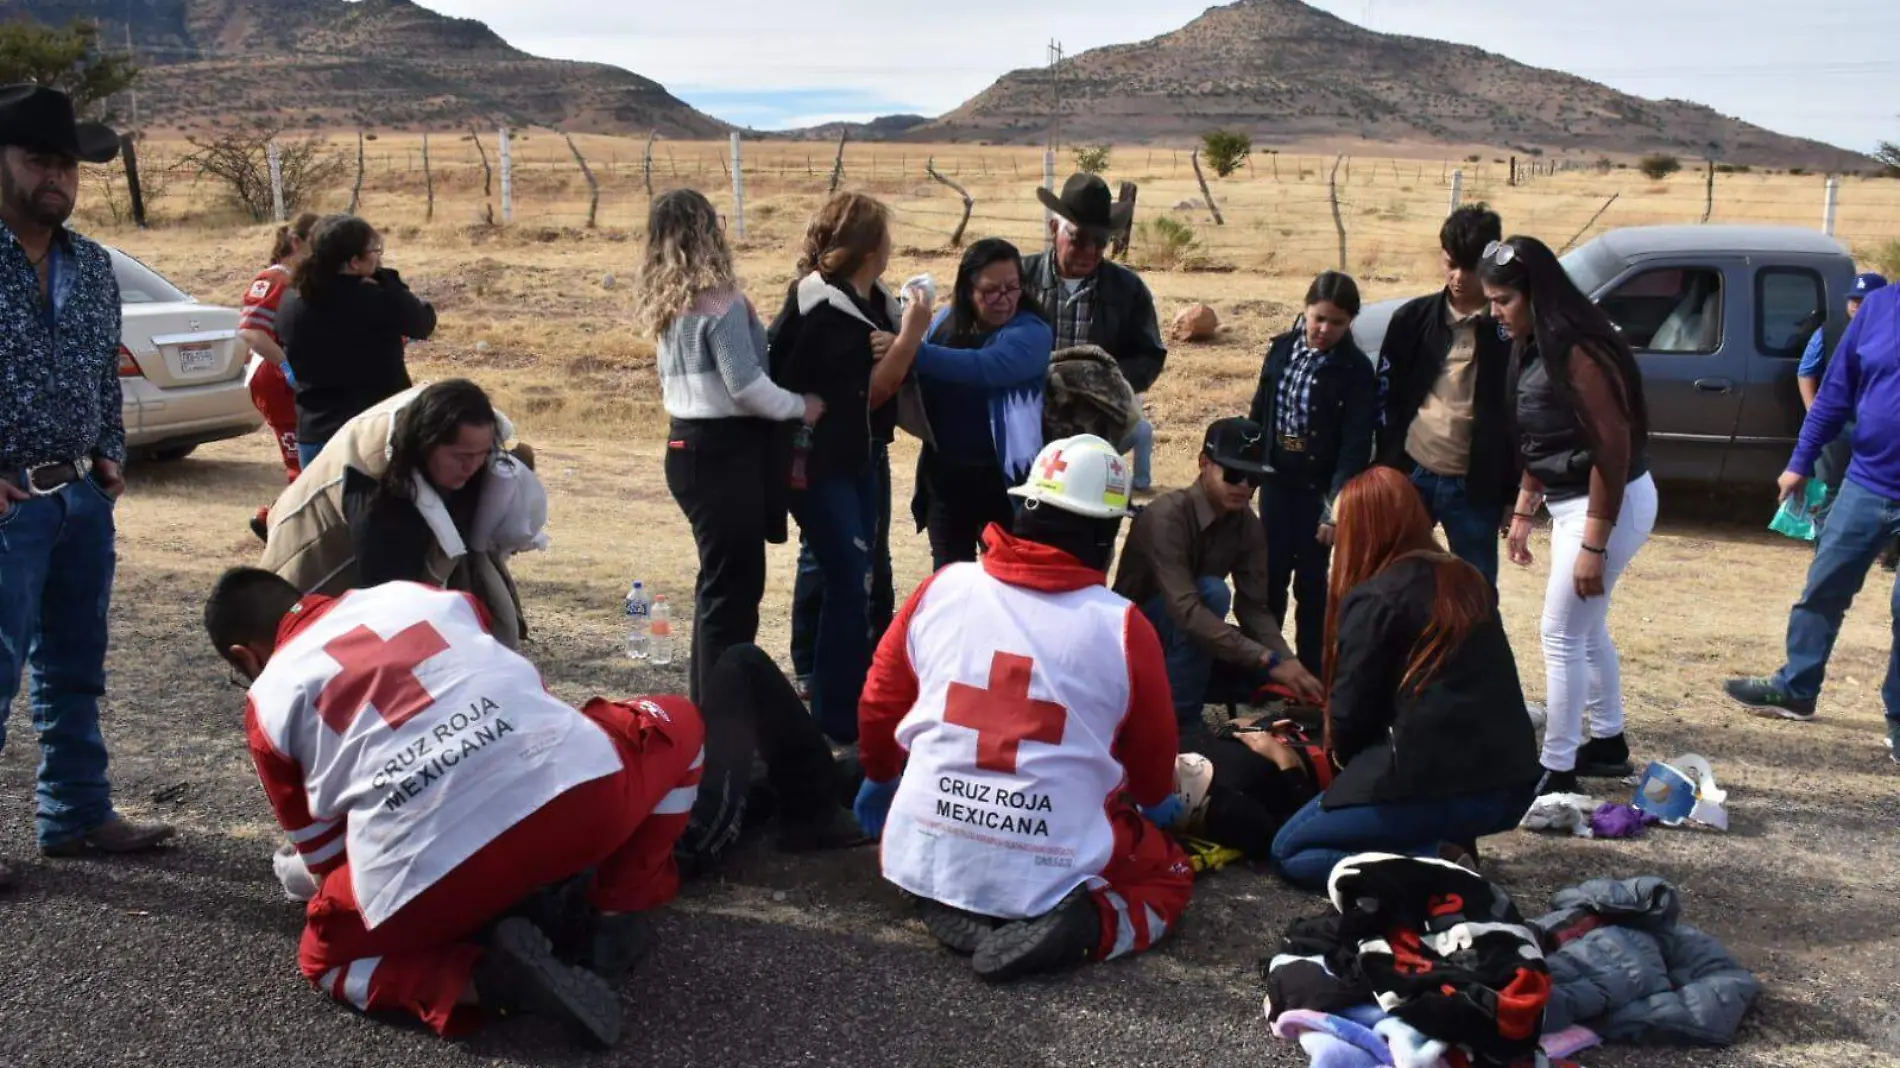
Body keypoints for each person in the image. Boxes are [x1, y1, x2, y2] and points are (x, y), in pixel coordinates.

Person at [852, 435, 1191, 980]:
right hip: (1053, 857)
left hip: (925, 839)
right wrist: (1155, 804)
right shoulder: (1123, 627)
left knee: (940, 839)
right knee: (1169, 874)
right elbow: (1152, 753)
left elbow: (879, 704)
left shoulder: (943, 587)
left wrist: (879, 773)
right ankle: (1088, 926)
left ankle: (949, 894)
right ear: (1107, 532)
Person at [0, 84, 174, 890]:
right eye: (39, 160)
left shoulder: (93, 265)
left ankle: (74, 813)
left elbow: (103, 371)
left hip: (77, 500)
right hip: (5, 508)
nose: (57, 179)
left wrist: (109, 455)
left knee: (75, 668)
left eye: (67, 165)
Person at [1268, 466, 1542, 891]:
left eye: (1340, 526)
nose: (1334, 536)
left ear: (1364, 528)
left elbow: (1349, 718)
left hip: (1428, 780)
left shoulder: (1376, 598)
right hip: (1509, 784)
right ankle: (1438, 841)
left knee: (1291, 851)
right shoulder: (1467, 577)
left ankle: (1435, 860)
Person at [1482, 236, 1659, 795]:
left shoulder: (1579, 350)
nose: (1495, 312)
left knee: (1560, 632)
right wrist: (1525, 508)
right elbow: (1540, 433)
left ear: (1537, 294)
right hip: (1575, 501)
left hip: (1607, 502)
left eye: (1504, 299)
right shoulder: (1534, 343)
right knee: (1584, 627)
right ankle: (1607, 743)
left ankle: (1558, 771)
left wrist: (1593, 545)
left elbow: (1611, 449)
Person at [636, 188, 825, 704]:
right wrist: (797, 405)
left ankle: (708, 709)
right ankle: (725, 724)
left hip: (685, 447)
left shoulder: (668, 300)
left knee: (717, 588)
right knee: (735, 596)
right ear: (708, 230)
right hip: (723, 452)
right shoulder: (718, 299)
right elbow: (743, 385)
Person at [769, 193, 932, 742]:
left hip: (860, 454)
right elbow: (871, 392)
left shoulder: (872, 299)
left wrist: (898, 337)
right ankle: (839, 718)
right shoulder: (822, 310)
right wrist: (912, 333)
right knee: (848, 574)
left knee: (867, 570)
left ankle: (859, 689)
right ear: (870, 248)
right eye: (885, 235)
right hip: (821, 461)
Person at [1724, 278, 1900, 763]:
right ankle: (1796, 689)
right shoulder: (1880, 309)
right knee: (1824, 587)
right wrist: (1800, 462)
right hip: (1868, 481)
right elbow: (1835, 392)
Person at [260, 380, 547, 648]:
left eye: (482, 454)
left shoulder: (455, 456)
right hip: (318, 577)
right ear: (427, 444)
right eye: (461, 457)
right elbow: (390, 606)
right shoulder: (377, 485)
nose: (471, 467)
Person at [1113, 418, 1325, 737]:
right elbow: (1185, 609)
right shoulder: (1167, 515)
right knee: (1213, 595)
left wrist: (1285, 661)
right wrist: (1265, 658)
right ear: (1204, 464)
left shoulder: (1247, 525)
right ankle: (1179, 725)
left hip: (1186, 631)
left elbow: (1253, 608)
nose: (1244, 487)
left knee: (1226, 626)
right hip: (1131, 631)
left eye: (1254, 479)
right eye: (1234, 474)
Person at [1375, 204, 1518, 585]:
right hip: (1413, 474)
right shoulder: (1412, 321)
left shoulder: (1513, 331)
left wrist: (1511, 494)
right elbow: (1386, 401)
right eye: (1450, 264)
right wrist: (1390, 469)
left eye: (1469, 268)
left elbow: (1520, 419)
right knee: (1392, 582)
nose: (1457, 277)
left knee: (1476, 592)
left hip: (1475, 486)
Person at [1248, 271, 1379, 672]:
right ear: (1305, 309)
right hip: (1275, 481)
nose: (1325, 329)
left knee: (1312, 584)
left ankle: (1310, 670)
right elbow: (1260, 411)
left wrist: (1334, 509)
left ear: (1350, 322)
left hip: (1317, 489)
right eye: (1319, 318)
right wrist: (1246, 474)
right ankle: (1263, 667)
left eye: (1337, 322)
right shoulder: (1281, 350)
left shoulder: (1355, 370)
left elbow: (1355, 445)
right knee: (1268, 578)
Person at [908, 237, 1053, 568]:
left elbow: (986, 367)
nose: (1004, 299)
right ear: (967, 288)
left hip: (1005, 484)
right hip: (945, 478)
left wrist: (908, 348)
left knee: (1008, 577)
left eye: (1012, 288)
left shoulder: (1032, 332)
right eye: (991, 290)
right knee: (949, 578)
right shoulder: (943, 324)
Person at [1022, 174, 1167, 491]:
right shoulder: (1020, 278)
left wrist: (1101, 380)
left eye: (1101, 241)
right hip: (1027, 425)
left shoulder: (1128, 288)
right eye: (1079, 238)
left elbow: (1149, 355)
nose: (1090, 250)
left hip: (1097, 431)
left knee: (1089, 519)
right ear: (1054, 229)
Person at [278, 214, 437, 467]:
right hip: (373, 434)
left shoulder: (292, 299)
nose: (378, 256)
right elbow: (423, 322)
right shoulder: (375, 298)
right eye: (374, 251)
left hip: (316, 434)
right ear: (354, 262)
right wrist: (386, 279)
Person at [239, 211, 322, 541]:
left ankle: (276, 518)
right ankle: (278, 524)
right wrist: (288, 367)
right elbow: (251, 332)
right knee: (302, 467)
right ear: (297, 243)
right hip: (276, 381)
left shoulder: (305, 280)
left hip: (297, 380)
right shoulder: (275, 278)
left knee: (313, 463)